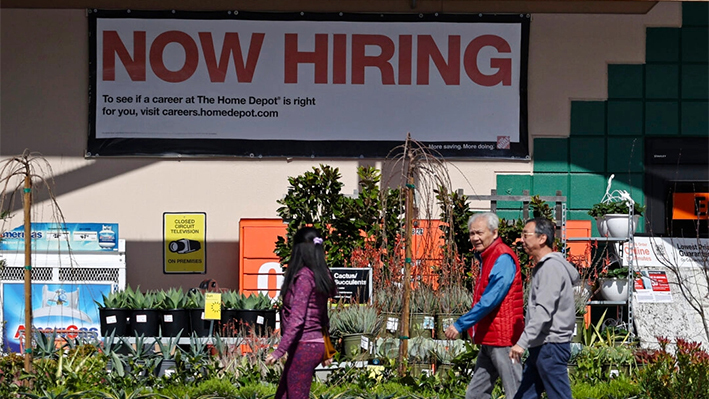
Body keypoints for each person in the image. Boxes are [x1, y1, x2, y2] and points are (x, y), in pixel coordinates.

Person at [444, 212, 525, 399]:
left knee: (515, 390)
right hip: (490, 336)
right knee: (475, 394)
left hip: (503, 338)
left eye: (479, 233)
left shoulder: (502, 257)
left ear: (494, 233)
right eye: (472, 234)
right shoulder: (488, 256)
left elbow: (491, 299)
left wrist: (460, 324)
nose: (474, 238)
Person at [509, 217, 579, 399]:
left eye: (526, 235)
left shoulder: (551, 268)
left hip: (551, 346)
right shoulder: (545, 267)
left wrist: (521, 343)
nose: (521, 240)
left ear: (542, 239)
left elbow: (543, 311)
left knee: (560, 395)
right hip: (542, 345)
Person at [265, 227, 337, 399]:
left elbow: (297, 318)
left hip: (304, 346)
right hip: (315, 344)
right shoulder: (322, 274)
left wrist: (278, 351)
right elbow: (323, 317)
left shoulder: (304, 277)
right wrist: (328, 350)